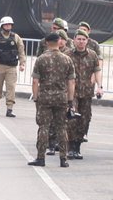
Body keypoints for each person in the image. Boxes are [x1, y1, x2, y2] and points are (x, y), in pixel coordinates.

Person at [28, 32, 74, 169]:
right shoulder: (67, 59)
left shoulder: (41, 59)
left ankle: (40, 157)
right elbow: (71, 82)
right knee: (62, 127)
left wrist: (35, 97)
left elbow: (35, 81)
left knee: (44, 127)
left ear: (47, 43)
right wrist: (70, 100)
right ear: (59, 41)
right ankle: (63, 159)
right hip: (61, 97)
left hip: (45, 97)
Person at [0, 16, 26, 117]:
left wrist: (22, 63)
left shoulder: (16, 37)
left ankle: (9, 109)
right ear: (2, 25)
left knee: (11, 87)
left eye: (9, 24)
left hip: (11, 67)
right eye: (6, 24)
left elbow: (21, 51)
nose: (8, 26)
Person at [66, 31, 98, 159]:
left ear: (87, 41)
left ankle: (77, 147)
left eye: (83, 39)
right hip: (72, 92)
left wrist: (100, 86)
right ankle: (70, 146)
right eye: (79, 39)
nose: (81, 41)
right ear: (74, 40)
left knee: (85, 119)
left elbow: (97, 71)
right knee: (72, 118)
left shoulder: (92, 55)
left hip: (86, 93)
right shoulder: (67, 55)